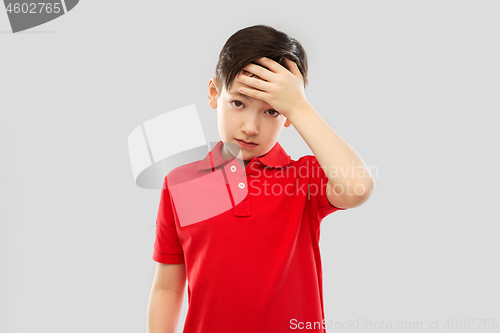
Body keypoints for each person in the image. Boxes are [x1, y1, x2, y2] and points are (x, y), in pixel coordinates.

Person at [146, 24, 375, 333]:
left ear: (288, 116)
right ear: (214, 93)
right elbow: (167, 287)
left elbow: (358, 188)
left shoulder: (303, 178)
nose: (250, 127)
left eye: (271, 111)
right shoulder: (181, 183)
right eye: (238, 103)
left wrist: (298, 105)